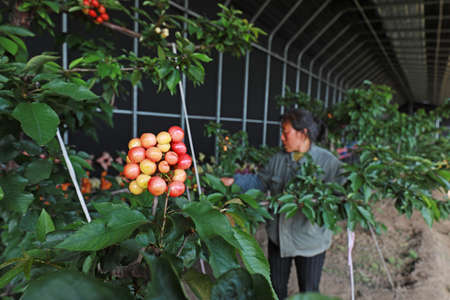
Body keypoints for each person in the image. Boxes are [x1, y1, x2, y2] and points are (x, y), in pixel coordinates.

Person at [224, 109, 345, 299]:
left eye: (286, 132)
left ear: (303, 133)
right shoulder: (277, 160)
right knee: (276, 289)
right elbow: (260, 182)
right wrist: (235, 182)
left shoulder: (328, 163)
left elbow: (343, 197)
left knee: (309, 291)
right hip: (279, 238)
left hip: (310, 241)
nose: (281, 137)